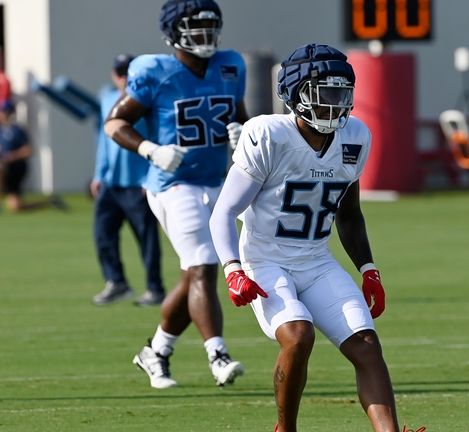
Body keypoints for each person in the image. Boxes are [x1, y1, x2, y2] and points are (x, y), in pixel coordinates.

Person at [209, 43, 400, 432]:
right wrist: (232, 269)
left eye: (342, 93)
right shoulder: (268, 134)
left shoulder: (355, 137)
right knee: (298, 335)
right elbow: (224, 212)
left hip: (315, 260)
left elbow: (349, 212)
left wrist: (369, 268)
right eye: (324, 93)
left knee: (366, 343)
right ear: (296, 94)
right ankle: (286, 429)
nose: (335, 104)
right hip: (265, 259)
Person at [103, 0, 250, 389]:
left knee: (194, 274)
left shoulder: (231, 65)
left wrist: (242, 134)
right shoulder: (156, 71)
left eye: (210, 27)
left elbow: (241, 115)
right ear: (173, 33)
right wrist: (150, 149)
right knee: (203, 265)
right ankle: (217, 355)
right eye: (195, 28)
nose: (206, 37)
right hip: (172, 184)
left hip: (218, 180)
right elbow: (115, 122)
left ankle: (157, 350)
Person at [90, 54, 166, 307]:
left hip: (139, 182)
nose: (123, 77)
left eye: (127, 72)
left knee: (147, 239)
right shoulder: (108, 97)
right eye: (119, 72)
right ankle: (116, 282)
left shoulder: (146, 99)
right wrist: (99, 174)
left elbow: (159, 137)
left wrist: (151, 176)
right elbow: (104, 139)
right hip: (112, 182)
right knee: (103, 234)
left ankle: (155, 288)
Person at [0, 100, 67, 214]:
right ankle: (50, 202)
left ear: (7, 113)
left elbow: (28, 150)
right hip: (5, 169)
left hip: (15, 169)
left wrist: (11, 157)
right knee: (17, 207)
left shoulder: (17, 130)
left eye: (0, 111)